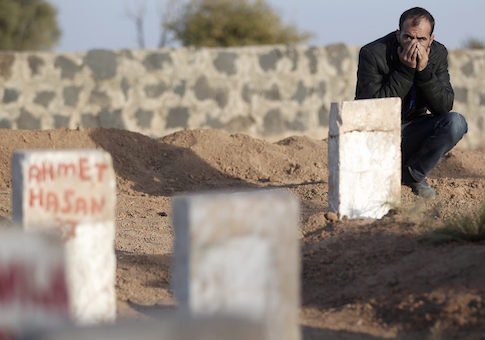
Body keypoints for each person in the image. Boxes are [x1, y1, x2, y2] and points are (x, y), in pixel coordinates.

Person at [355, 7, 468, 198]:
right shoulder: (372, 53)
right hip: (378, 135)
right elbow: (373, 110)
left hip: (413, 131)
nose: (414, 44)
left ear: (430, 40)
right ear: (398, 35)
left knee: (456, 123)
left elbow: (443, 106)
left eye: (421, 39)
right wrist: (405, 70)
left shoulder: (438, 53)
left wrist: (424, 72)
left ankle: (413, 175)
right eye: (408, 37)